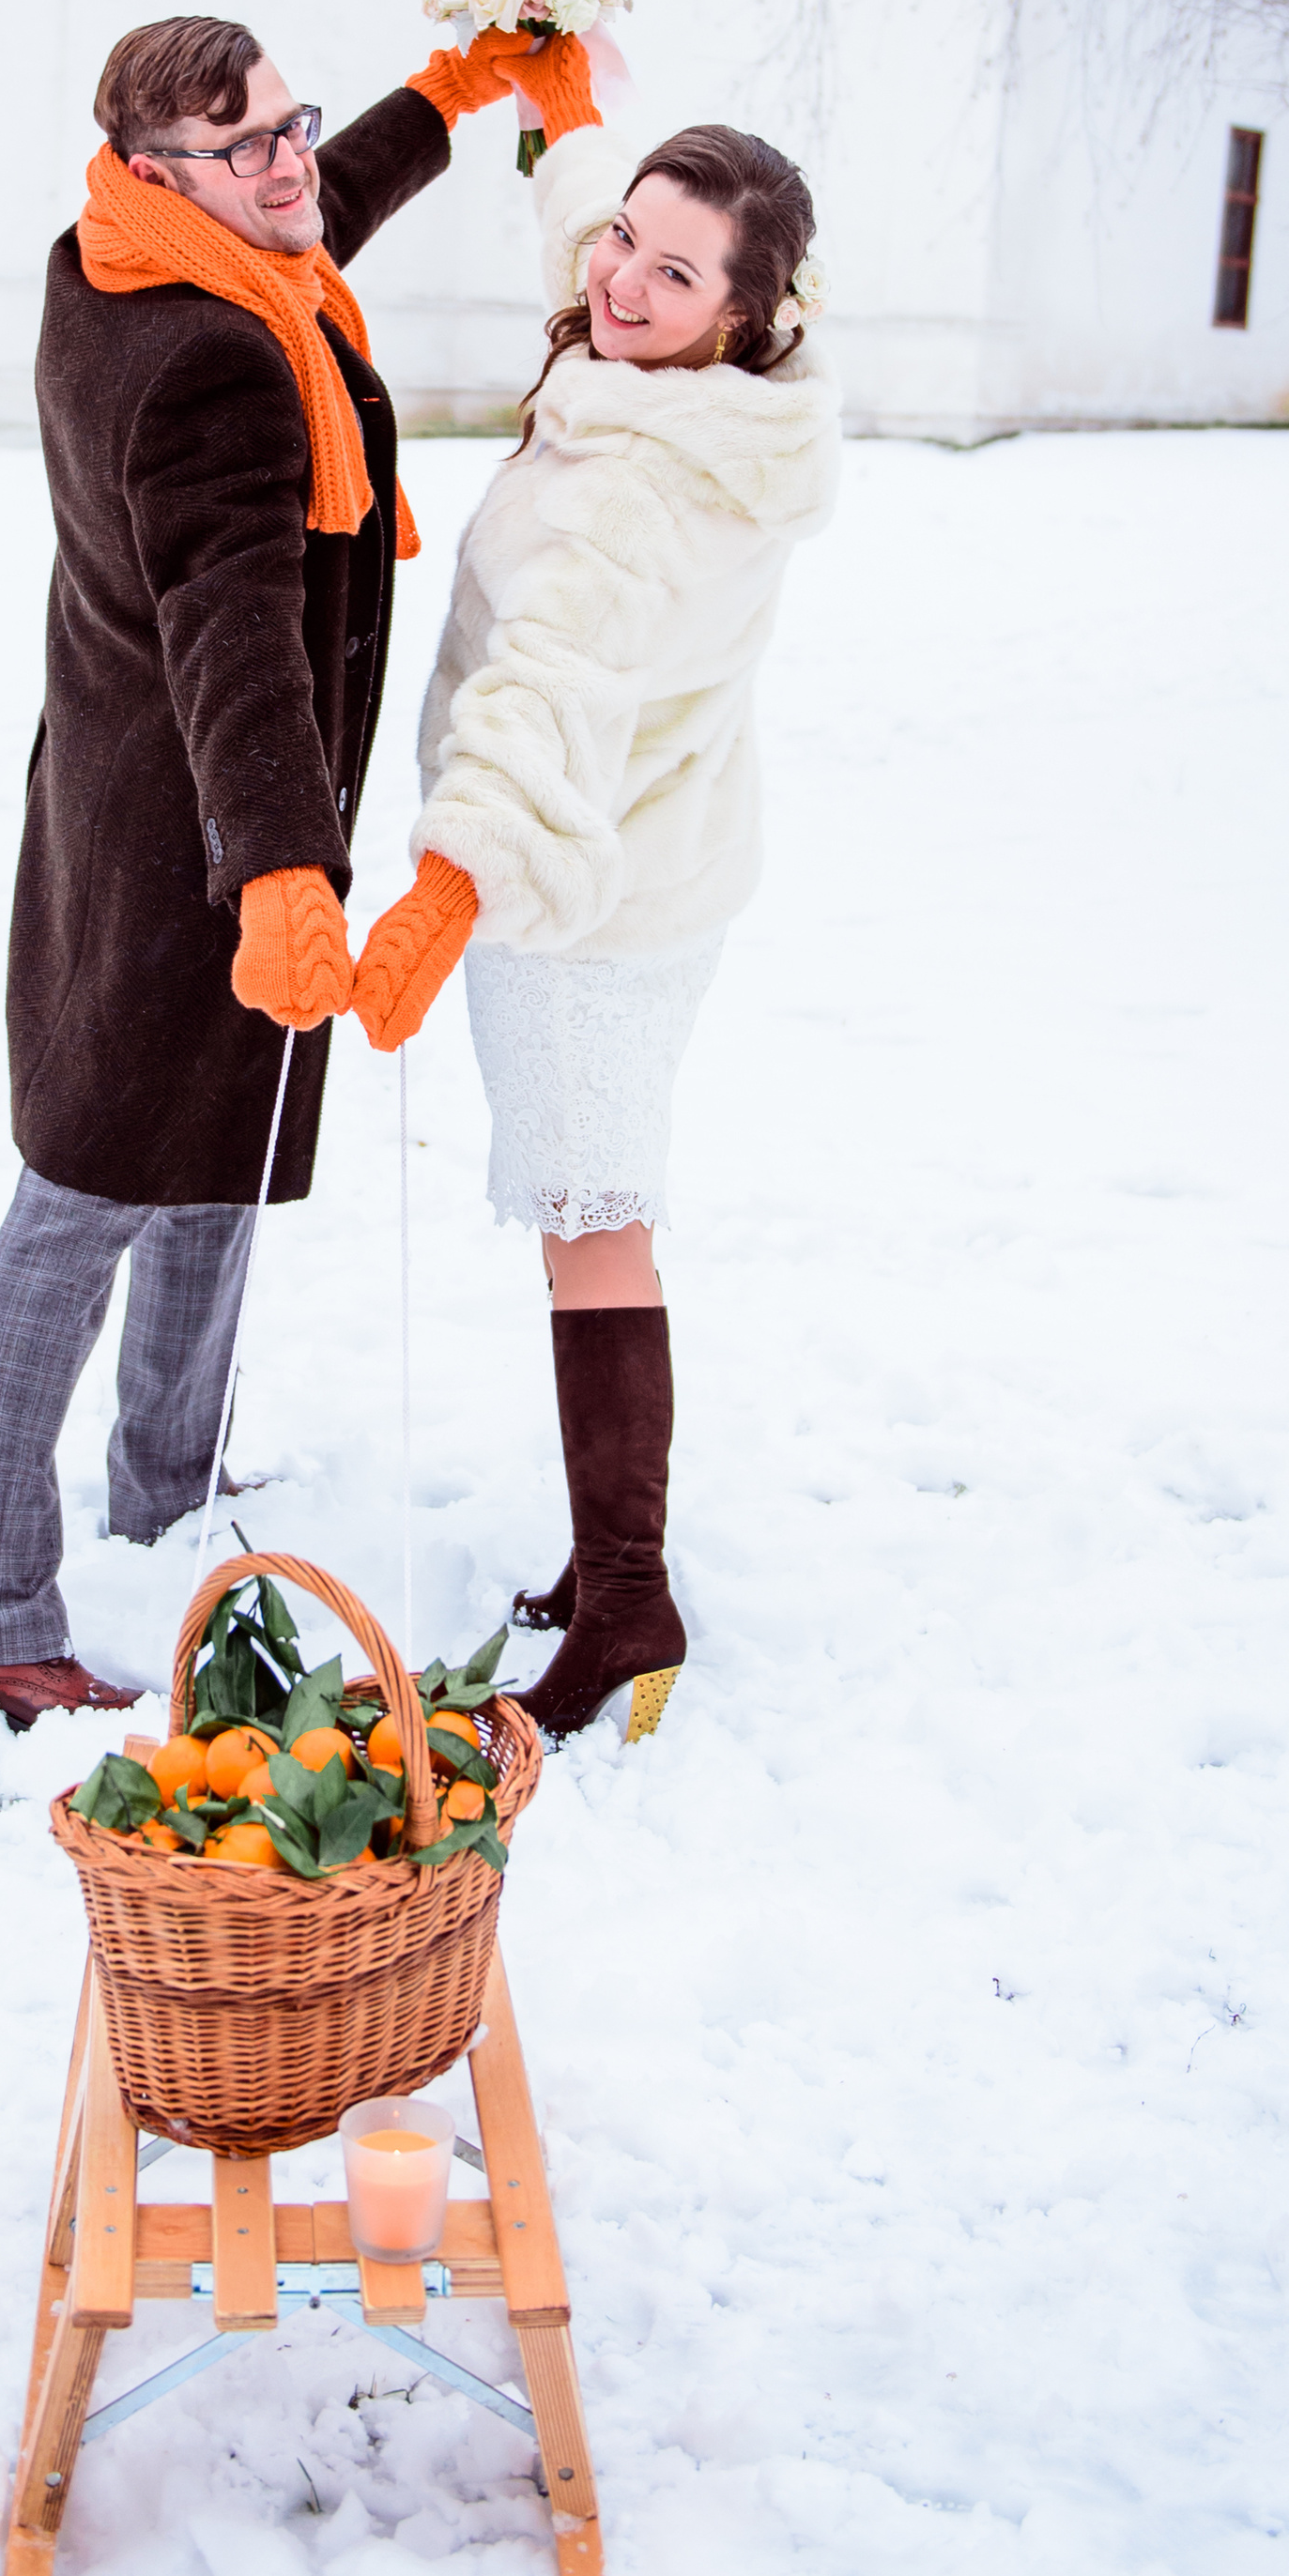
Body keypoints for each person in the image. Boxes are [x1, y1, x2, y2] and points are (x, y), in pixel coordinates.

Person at [0, 8, 591, 1727]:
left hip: (138, 795)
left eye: (293, 125)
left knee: (217, 1166)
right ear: (161, 173)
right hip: (189, 837)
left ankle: (163, 1490)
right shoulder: (214, 355)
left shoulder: (123, 248)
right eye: (251, 146)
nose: (292, 164)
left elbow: (320, 203)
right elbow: (234, 632)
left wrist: (447, 98)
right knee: (76, 1211)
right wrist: (282, 874)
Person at [350, 109, 838, 1743]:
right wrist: (570, 104)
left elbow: (549, 683)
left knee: (595, 1219)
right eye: (624, 233)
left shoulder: (644, 492)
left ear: (746, 313)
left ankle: (627, 1595)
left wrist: (454, 875)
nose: (622, 275)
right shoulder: (715, 405)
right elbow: (598, 219)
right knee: (590, 1211)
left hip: (583, 899)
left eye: (674, 268)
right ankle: (608, 1559)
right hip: (651, 857)